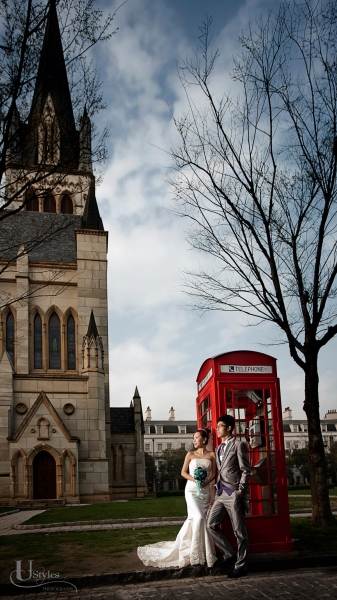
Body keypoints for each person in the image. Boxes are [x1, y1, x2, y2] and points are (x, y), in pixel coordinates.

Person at [137, 428, 217, 568]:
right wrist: (194, 480)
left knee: (197, 520)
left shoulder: (212, 455)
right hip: (192, 491)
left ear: (204, 439)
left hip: (204, 492)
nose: (194, 440)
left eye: (196, 437)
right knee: (198, 518)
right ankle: (195, 555)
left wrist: (205, 482)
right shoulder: (190, 454)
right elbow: (183, 472)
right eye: (193, 438)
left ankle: (199, 552)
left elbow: (214, 474)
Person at [207, 413, 251, 578]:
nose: (217, 429)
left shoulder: (239, 445)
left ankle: (241, 566)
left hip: (233, 492)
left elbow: (246, 470)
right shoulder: (218, 448)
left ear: (229, 428)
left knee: (239, 531)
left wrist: (240, 490)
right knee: (211, 525)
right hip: (220, 493)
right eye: (217, 426)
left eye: (220, 426)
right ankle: (229, 554)